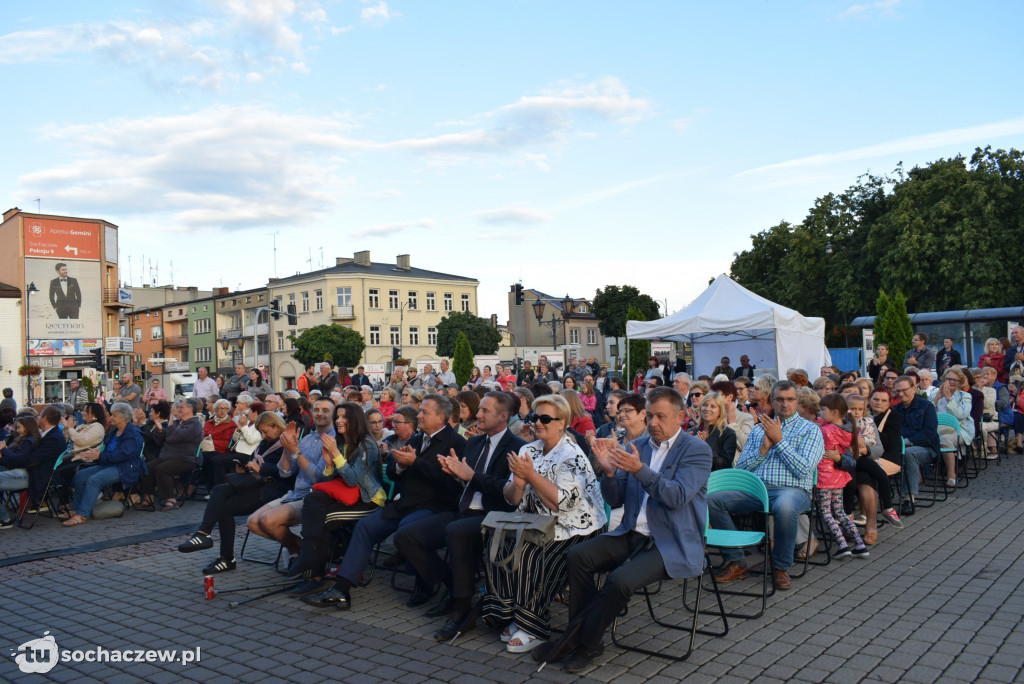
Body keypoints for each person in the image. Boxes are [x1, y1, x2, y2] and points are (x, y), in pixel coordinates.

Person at [533, 386, 712, 672]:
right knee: (579, 556)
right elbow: (615, 500)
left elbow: (676, 497)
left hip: (671, 541)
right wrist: (612, 473)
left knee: (620, 580)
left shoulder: (696, 450)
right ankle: (582, 639)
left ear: (680, 416)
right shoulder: (639, 447)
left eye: (660, 417)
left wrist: (640, 470)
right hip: (631, 532)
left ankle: (582, 643)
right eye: (650, 416)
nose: (653, 423)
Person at [302, 396, 465, 609]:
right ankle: (341, 590)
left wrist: (415, 463)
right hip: (405, 504)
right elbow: (394, 474)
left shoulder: (457, 443)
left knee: (406, 533)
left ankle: (440, 584)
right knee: (365, 527)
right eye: (420, 411)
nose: (419, 415)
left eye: (424, 412)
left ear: (441, 418)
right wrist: (400, 466)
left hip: (434, 506)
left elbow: (450, 483)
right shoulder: (417, 439)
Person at [395, 392, 528, 641]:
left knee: (456, 533)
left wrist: (470, 476)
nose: (477, 415)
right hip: (463, 511)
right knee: (406, 536)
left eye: (485, 411)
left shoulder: (518, 448)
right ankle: (453, 587)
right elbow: (464, 480)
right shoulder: (475, 442)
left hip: (493, 516)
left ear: (504, 416)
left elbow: (508, 493)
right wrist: (454, 473)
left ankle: (461, 609)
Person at [480, 394, 606, 654]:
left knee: (529, 553)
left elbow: (564, 504)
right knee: (499, 542)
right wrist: (517, 483)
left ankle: (533, 625)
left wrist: (531, 476)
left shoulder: (571, 455)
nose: (538, 423)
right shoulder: (529, 450)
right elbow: (513, 498)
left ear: (563, 423)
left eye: (546, 418)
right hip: (535, 524)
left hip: (576, 528)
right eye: (535, 417)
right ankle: (510, 612)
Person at [709, 380, 823, 590]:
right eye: (780, 399)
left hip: (794, 490)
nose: (785, 404)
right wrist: (763, 449)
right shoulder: (759, 429)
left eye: (790, 399)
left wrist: (779, 442)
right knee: (713, 500)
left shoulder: (811, 430)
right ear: (772, 400)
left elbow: (804, 470)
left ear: (797, 401)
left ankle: (780, 567)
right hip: (757, 489)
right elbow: (742, 469)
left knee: (785, 507)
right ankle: (736, 561)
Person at [177, 411, 290, 573]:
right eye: (261, 432)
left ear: (277, 426)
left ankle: (220, 551)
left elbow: (287, 471)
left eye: (266, 431)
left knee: (222, 500)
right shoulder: (265, 443)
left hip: (272, 491)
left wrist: (261, 468)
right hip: (254, 484)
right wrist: (246, 466)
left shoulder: (285, 444)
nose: (264, 436)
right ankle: (209, 540)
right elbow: (253, 457)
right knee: (220, 494)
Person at [285, 403, 386, 584]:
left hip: (367, 499)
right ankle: (309, 559)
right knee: (312, 499)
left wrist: (335, 455)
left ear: (354, 420)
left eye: (343, 417)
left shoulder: (367, 444)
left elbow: (353, 479)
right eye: (337, 417)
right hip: (348, 494)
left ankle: (313, 572)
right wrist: (329, 464)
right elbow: (329, 480)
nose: (338, 420)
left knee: (322, 519)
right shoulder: (341, 441)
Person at [246, 398, 336, 575]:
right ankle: (301, 549)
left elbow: (319, 479)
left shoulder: (334, 440)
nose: (320, 413)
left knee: (268, 521)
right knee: (253, 523)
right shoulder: (309, 438)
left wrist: (295, 451)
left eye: (325, 410)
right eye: (317, 409)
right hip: (295, 493)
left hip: (313, 497)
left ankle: (304, 555)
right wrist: (288, 447)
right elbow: (285, 472)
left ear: (334, 414)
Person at [62, 403, 145, 527]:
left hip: (125, 467)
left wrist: (99, 456)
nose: (111, 417)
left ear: (123, 418)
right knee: (80, 475)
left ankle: (82, 515)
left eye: (114, 415)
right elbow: (107, 450)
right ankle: (75, 509)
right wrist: (97, 453)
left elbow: (122, 456)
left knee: (94, 480)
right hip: (110, 463)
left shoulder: (133, 434)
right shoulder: (115, 431)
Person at [815, 394, 868, 557]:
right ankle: (859, 544)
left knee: (826, 513)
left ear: (835, 412)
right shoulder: (848, 428)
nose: (820, 413)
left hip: (824, 475)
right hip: (838, 475)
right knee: (840, 512)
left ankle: (842, 545)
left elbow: (820, 442)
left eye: (823, 410)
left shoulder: (825, 430)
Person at [138, 398, 205, 512]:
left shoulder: (194, 424)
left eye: (181, 407)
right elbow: (162, 441)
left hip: (186, 458)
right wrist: (160, 431)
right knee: (148, 467)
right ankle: (148, 499)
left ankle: (171, 500)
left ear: (190, 409)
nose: (178, 410)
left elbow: (175, 437)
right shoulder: (178, 423)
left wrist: (170, 424)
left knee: (163, 469)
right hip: (168, 456)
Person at [892, 375, 940, 516]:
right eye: (897, 391)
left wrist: (908, 442)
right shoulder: (896, 409)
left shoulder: (927, 406)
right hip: (902, 447)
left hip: (928, 448)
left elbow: (930, 433)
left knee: (909, 453)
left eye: (904, 390)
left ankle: (909, 499)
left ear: (914, 388)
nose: (900, 394)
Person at [934, 368, 973, 487]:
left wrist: (948, 398)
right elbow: (925, 413)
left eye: (954, 380)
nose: (951, 382)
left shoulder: (964, 396)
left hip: (959, 430)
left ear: (960, 382)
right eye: (948, 379)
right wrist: (936, 398)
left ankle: (951, 475)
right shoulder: (935, 393)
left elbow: (961, 414)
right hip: (937, 430)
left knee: (946, 439)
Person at [695, 391, 737, 471]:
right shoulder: (693, 431)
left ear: (720, 411)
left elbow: (724, 464)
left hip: (714, 479)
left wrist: (704, 447)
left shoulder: (728, 434)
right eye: (705, 405)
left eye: (713, 406)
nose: (707, 409)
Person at [203, 399, 240, 486]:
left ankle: (216, 487)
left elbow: (227, 438)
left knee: (212, 460)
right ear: (215, 409)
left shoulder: (231, 424)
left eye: (225, 408)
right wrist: (216, 434)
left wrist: (211, 435)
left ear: (228, 410)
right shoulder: (209, 422)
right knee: (200, 458)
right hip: (208, 449)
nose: (222, 411)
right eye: (220, 408)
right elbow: (204, 434)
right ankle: (208, 486)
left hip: (222, 451)